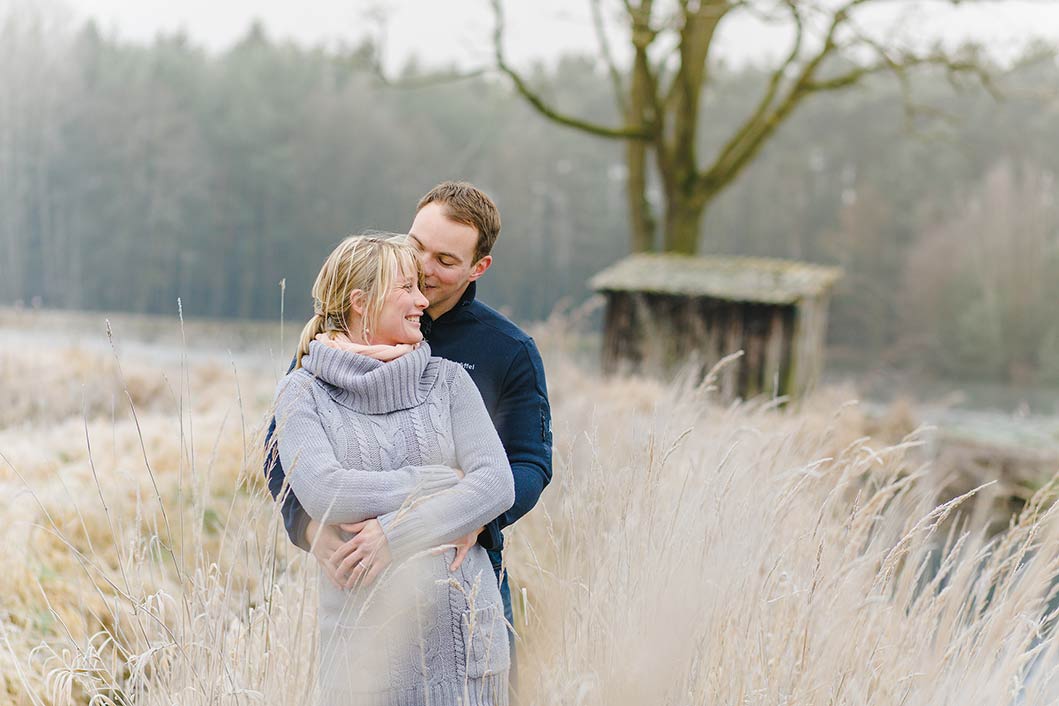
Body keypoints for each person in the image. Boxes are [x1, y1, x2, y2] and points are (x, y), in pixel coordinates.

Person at [265, 182, 553, 676]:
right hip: (361, 588)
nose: (422, 268)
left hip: (462, 577)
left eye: (444, 259)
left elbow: (527, 464)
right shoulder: (336, 342)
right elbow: (281, 453)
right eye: (417, 246)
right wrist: (310, 528)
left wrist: (470, 517)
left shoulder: (507, 351)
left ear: (477, 268)